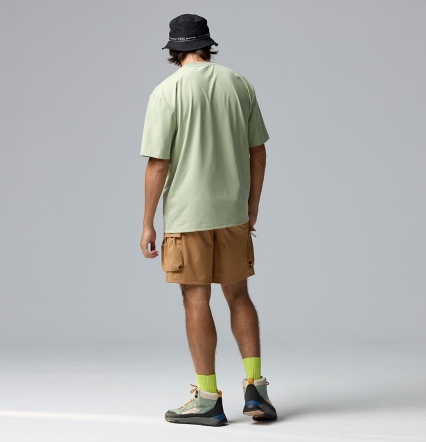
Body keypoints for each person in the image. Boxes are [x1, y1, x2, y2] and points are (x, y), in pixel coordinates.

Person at [139, 13, 277, 426]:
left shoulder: (166, 92)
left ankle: (207, 398)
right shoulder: (239, 84)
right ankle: (256, 389)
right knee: (239, 295)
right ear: (207, 44)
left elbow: (158, 164)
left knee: (195, 298)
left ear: (173, 50)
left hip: (188, 215)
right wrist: (252, 205)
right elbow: (258, 152)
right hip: (233, 211)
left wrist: (147, 222)